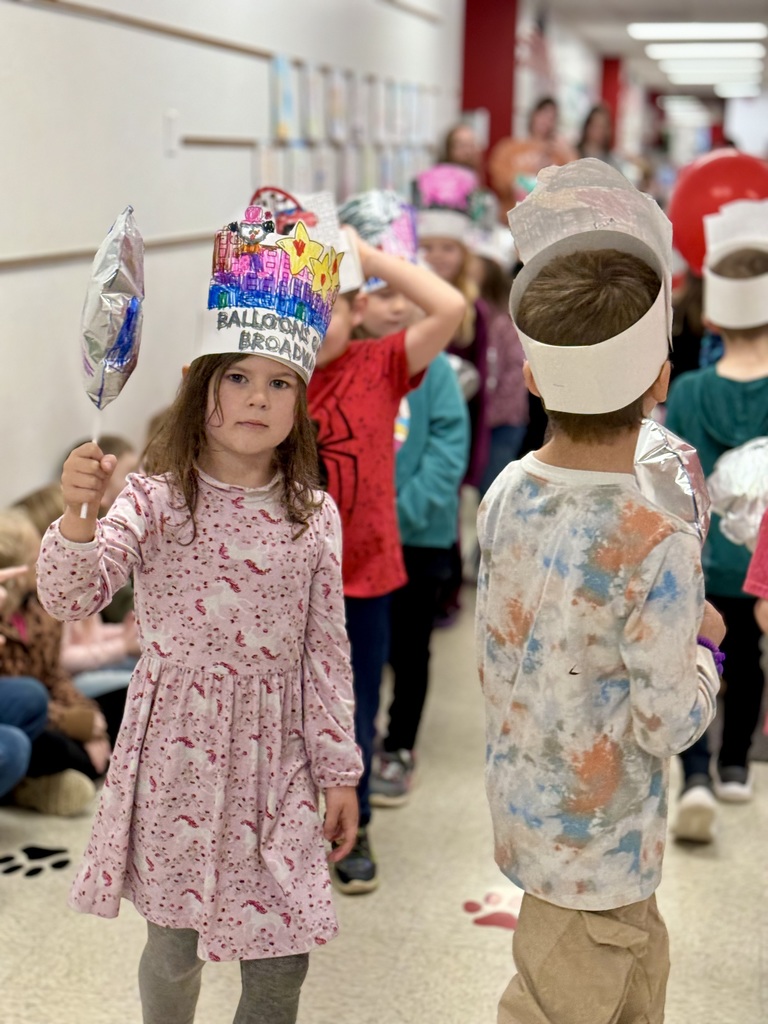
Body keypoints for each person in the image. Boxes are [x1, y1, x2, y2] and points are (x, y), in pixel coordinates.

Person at [36, 200, 362, 1024]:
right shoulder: (154, 499)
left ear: (300, 399)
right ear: (199, 388)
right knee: (174, 948)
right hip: (176, 749)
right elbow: (71, 594)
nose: (257, 398)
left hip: (278, 754)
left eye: (279, 382)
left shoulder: (313, 514)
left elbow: (327, 654)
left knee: (282, 959)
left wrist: (339, 770)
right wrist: (77, 518)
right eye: (238, 377)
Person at [476, 159, 723, 1023]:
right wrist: (706, 647)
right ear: (660, 377)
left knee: (626, 986)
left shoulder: (506, 489)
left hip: (530, 810)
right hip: (605, 842)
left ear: (535, 376)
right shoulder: (658, 535)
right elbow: (668, 720)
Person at [307, 218, 465, 891]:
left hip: (365, 574)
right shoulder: (266, 377)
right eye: (301, 310)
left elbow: (451, 308)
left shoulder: (380, 363)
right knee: (285, 708)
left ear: (359, 307)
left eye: (330, 307)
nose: (313, 326)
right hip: (283, 583)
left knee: (357, 703)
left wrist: (366, 255)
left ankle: (355, 819)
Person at [338, 189, 470, 806]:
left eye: (402, 294)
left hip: (414, 535)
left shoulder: (426, 364)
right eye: (379, 295)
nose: (394, 308)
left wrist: (399, 511)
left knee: (407, 650)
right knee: (360, 660)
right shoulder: (343, 366)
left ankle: (398, 744)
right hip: (347, 547)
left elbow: (448, 444)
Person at [666, 200, 768, 841]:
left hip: (697, 557)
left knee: (694, 654)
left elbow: (670, 475)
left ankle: (695, 773)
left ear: (711, 317)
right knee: (753, 656)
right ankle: (736, 766)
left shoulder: (691, 391)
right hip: (762, 566)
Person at [0, 508, 106, 814]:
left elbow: (53, 675)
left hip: (41, 709)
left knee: (117, 705)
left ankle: (35, 782)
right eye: (38, 555)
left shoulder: (42, 612)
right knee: (51, 747)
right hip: (41, 724)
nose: (46, 560)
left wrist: (88, 718)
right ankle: (25, 788)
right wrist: (69, 723)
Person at [0, 565, 49, 802]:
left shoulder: (39, 612)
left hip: (52, 695)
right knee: (18, 747)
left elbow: (54, 674)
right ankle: (21, 791)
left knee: (32, 696)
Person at [488, 97, 577, 212]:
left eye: (551, 118)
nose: (545, 121)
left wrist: (568, 153)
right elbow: (499, 179)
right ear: (533, 115)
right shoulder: (509, 148)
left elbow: (576, 183)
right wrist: (526, 175)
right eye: (542, 114)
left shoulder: (560, 153)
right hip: (511, 217)